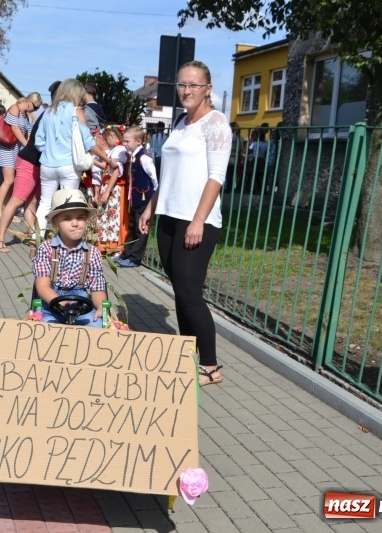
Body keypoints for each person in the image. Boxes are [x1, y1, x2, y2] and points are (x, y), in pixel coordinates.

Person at [139, 60, 231, 387]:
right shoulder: (179, 121)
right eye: (181, 84)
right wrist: (151, 207)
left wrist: (198, 221)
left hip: (196, 221)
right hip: (169, 217)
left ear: (207, 88)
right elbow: (169, 173)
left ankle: (210, 366)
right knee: (180, 291)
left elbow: (215, 177)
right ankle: (188, 355)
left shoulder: (216, 124)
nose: (186, 91)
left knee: (191, 293)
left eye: (193, 85)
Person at [34, 79, 115, 231]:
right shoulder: (76, 111)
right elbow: (88, 142)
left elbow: (39, 142)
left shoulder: (48, 111)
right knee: (67, 204)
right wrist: (107, 160)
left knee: (45, 203)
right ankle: (64, 241)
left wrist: (50, 151)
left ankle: (36, 239)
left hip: (47, 164)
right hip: (69, 165)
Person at [32, 189, 107, 327]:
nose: (75, 223)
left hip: (82, 307)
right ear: (55, 222)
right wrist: (62, 304)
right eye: (67, 218)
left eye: (80, 218)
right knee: (45, 329)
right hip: (51, 306)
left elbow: (97, 288)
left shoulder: (93, 253)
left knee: (96, 326)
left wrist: (101, 307)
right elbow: (42, 286)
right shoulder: (46, 249)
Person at [0, 109, 45, 253]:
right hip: (29, 161)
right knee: (17, 200)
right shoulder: (49, 114)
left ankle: (34, 236)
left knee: (32, 203)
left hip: (39, 164)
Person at [0, 93, 41, 222]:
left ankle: (6, 209)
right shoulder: (15, 108)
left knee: (12, 181)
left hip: (16, 149)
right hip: (7, 148)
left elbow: (27, 133)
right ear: (28, 101)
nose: (35, 110)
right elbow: (14, 128)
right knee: (8, 180)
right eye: (35, 107)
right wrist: (27, 146)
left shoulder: (26, 116)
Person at [115, 125, 158, 268]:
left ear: (139, 141)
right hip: (135, 199)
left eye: (127, 141)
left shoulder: (144, 158)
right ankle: (126, 253)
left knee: (141, 229)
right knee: (133, 226)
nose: (124, 144)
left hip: (144, 199)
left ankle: (135, 258)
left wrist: (155, 196)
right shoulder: (133, 156)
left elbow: (154, 179)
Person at [95, 125, 130, 252]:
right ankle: (106, 243)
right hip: (110, 185)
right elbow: (106, 165)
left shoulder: (119, 149)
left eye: (106, 137)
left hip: (115, 187)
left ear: (112, 136)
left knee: (113, 215)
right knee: (107, 215)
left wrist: (108, 191)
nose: (104, 140)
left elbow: (116, 170)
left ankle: (113, 245)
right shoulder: (116, 149)